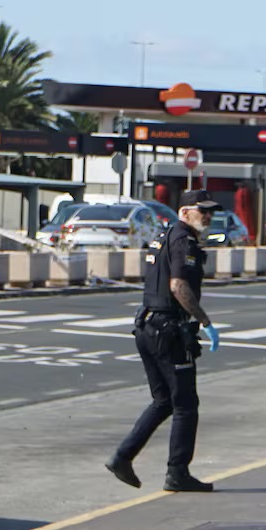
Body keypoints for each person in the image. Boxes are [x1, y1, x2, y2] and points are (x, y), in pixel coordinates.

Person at [106, 189, 222, 493]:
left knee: (163, 401)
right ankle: (177, 473)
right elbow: (178, 285)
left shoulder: (164, 236)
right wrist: (205, 321)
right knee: (186, 404)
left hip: (148, 326)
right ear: (184, 212)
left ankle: (122, 456)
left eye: (210, 211)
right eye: (202, 210)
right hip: (168, 329)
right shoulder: (184, 241)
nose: (208, 216)